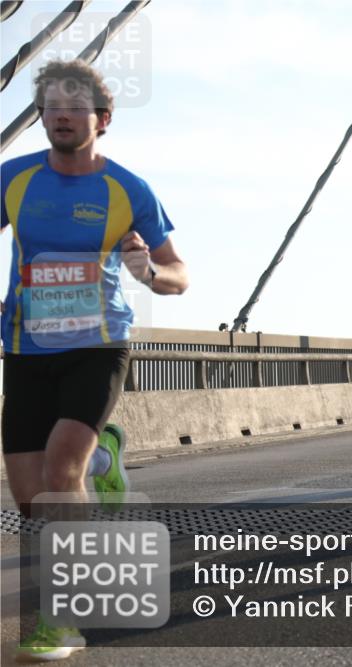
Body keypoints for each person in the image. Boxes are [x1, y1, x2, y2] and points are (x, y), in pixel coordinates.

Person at [2, 59, 188, 662]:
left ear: (101, 120)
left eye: (73, 106)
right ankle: (103, 457)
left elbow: (179, 274)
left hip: (98, 345)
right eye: (50, 104)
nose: (59, 114)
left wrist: (150, 273)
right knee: (32, 500)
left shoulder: (127, 189)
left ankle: (63, 619)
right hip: (26, 348)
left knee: (61, 473)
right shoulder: (14, 179)